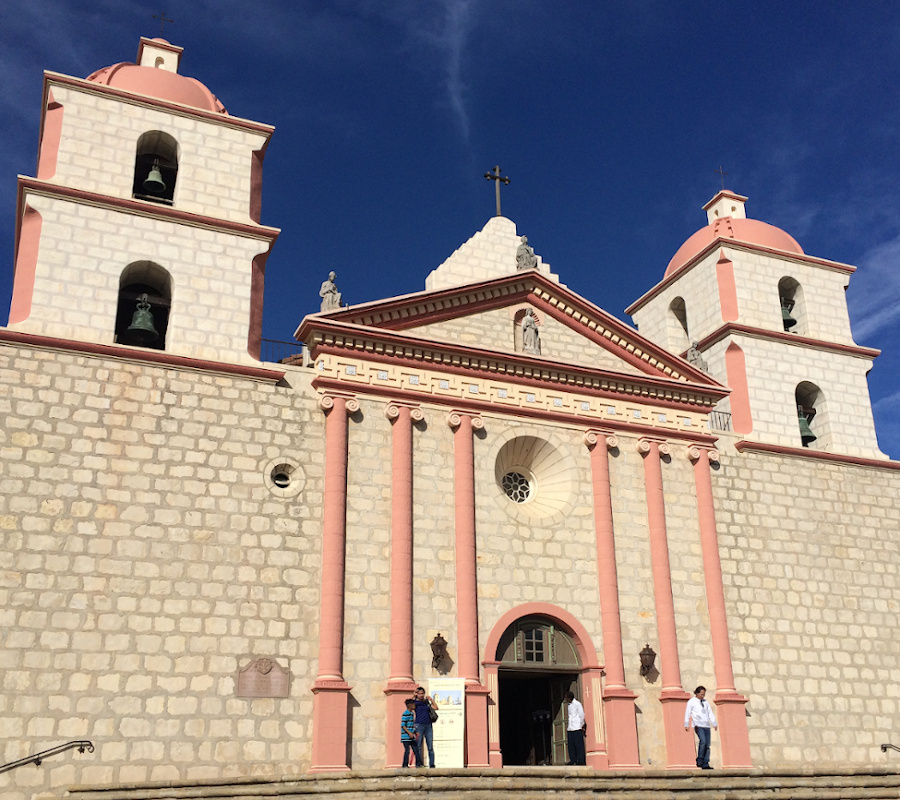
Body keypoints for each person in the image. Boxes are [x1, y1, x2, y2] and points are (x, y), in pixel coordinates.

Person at [684, 685, 718, 769]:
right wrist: (686, 724)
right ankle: (700, 760)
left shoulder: (705, 702)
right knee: (703, 741)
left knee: (707, 744)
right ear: (697, 693)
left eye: (704, 694)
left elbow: (710, 713)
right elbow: (687, 713)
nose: (702, 696)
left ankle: (705, 763)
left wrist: (714, 723)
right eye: (701, 694)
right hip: (698, 725)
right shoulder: (691, 702)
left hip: (706, 725)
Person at [413, 686, 439, 768]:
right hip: (419, 725)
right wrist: (413, 695)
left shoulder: (426, 702)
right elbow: (409, 704)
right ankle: (418, 764)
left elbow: (436, 707)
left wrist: (431, 700)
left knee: (430, 746)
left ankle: (432, 764)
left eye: (422, 694)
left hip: (428, 725)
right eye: (419, 694)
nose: (421, 695)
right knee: (419, 745)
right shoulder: (415, 703)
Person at [565, 690, 586, 766]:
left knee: (578, 745)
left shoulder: (577, 704)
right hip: (570, 728)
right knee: (571, 745)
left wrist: (581, 725)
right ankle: (572, 759)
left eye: (566, 697)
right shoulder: (569, 705)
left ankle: (580, 760)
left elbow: (581, 715)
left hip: (577, 727)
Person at [400, 698, 420, 768]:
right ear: (410, 705)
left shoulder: (412, 713)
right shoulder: (405, 714)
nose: (415, 706)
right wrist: (409, 733)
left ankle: (419, 764)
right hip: (406, 737)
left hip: (411, 737)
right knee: (407, 750)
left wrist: (414, 732)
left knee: (416, 750)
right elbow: (403, 726)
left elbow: (411, 725)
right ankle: (405, 765)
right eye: (414, 704)